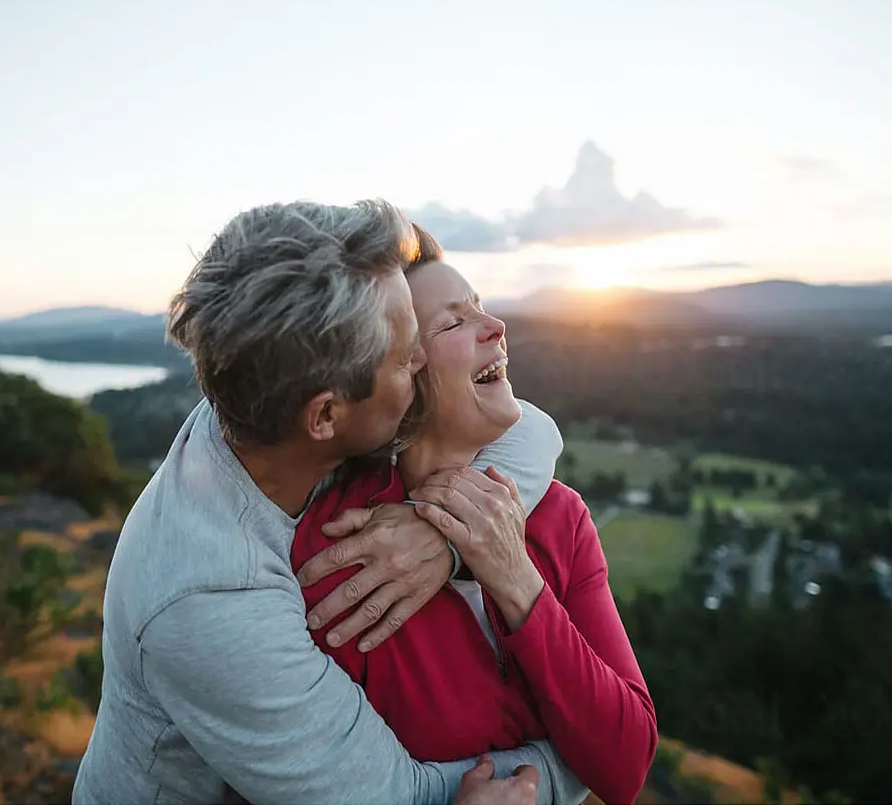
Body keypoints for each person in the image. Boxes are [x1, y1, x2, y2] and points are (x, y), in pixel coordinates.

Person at [73, 200, 582, 805]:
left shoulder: (269, 387)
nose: (421, 366)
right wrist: (571, 764)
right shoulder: (212, 600)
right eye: (405, 356)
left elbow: (529, 427)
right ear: (326, 416)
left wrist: (442, 537)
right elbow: (397, 796)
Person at [292, 226, 658, 805]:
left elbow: (626, 763)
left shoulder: (561, 518)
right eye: (454, 323)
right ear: (397, 376)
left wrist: (516, 580)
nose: (497, 327)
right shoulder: (344, 553)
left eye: (481, 308)